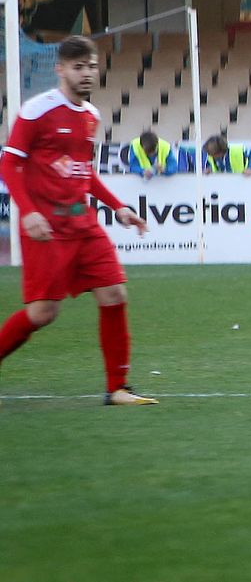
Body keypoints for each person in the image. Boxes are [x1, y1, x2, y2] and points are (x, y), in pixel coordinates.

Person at [0, 36, 157, 407]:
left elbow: (86, 173)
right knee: (42, 314)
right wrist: (29, 211)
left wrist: (118, 207)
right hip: (47, 229)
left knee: (115, 292)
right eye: (78, 67)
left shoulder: (91, 115)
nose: (86, 74)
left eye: (91, 66)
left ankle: (118, 387)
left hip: (83, 224)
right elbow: (9, 162)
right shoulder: (36, 110)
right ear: (61, 69)